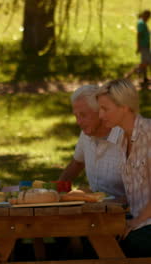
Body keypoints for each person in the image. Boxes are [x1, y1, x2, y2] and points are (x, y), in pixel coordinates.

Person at [96, 79, 151, 258]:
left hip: (145, 224)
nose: (101, 115)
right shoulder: (120, 138)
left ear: (125, 107)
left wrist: (136, 222)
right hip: (137, 220)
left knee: (114, 246)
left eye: (105, 109)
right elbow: (136, 191)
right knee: (93, 235)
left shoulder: (149, 135)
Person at [59, 85, 126, 199]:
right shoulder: (87, 133)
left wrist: (111, 205)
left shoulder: (129, 137)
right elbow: (77, 163)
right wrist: (56, 190)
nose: (78, 122)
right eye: (76, 116)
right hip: (98, 210)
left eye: (83, 115)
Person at [137, 10, 150, 88]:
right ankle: (137, 71)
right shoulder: (141, 23)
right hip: (143, 45)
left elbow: (146, 33)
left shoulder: (143, 23)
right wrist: (138, 46)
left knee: (144, 61)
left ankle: (144, 78)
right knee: (147, 61)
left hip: (146, 45)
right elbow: (139, 34)